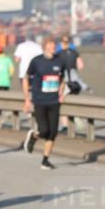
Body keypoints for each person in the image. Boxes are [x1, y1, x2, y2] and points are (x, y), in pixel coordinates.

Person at [22, 38, 66, 170]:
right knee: (44, 131)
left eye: (54, 45)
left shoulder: (60, 61)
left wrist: (61, 92)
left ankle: (45, 160)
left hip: (54, 101)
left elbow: (62, 78)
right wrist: (27, 99)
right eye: (51, 45)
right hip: (40, 100)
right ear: (45, 47)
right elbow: (25, 78)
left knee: (53, 132)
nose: (54, 47)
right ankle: (34, 136)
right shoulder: (37, 61)